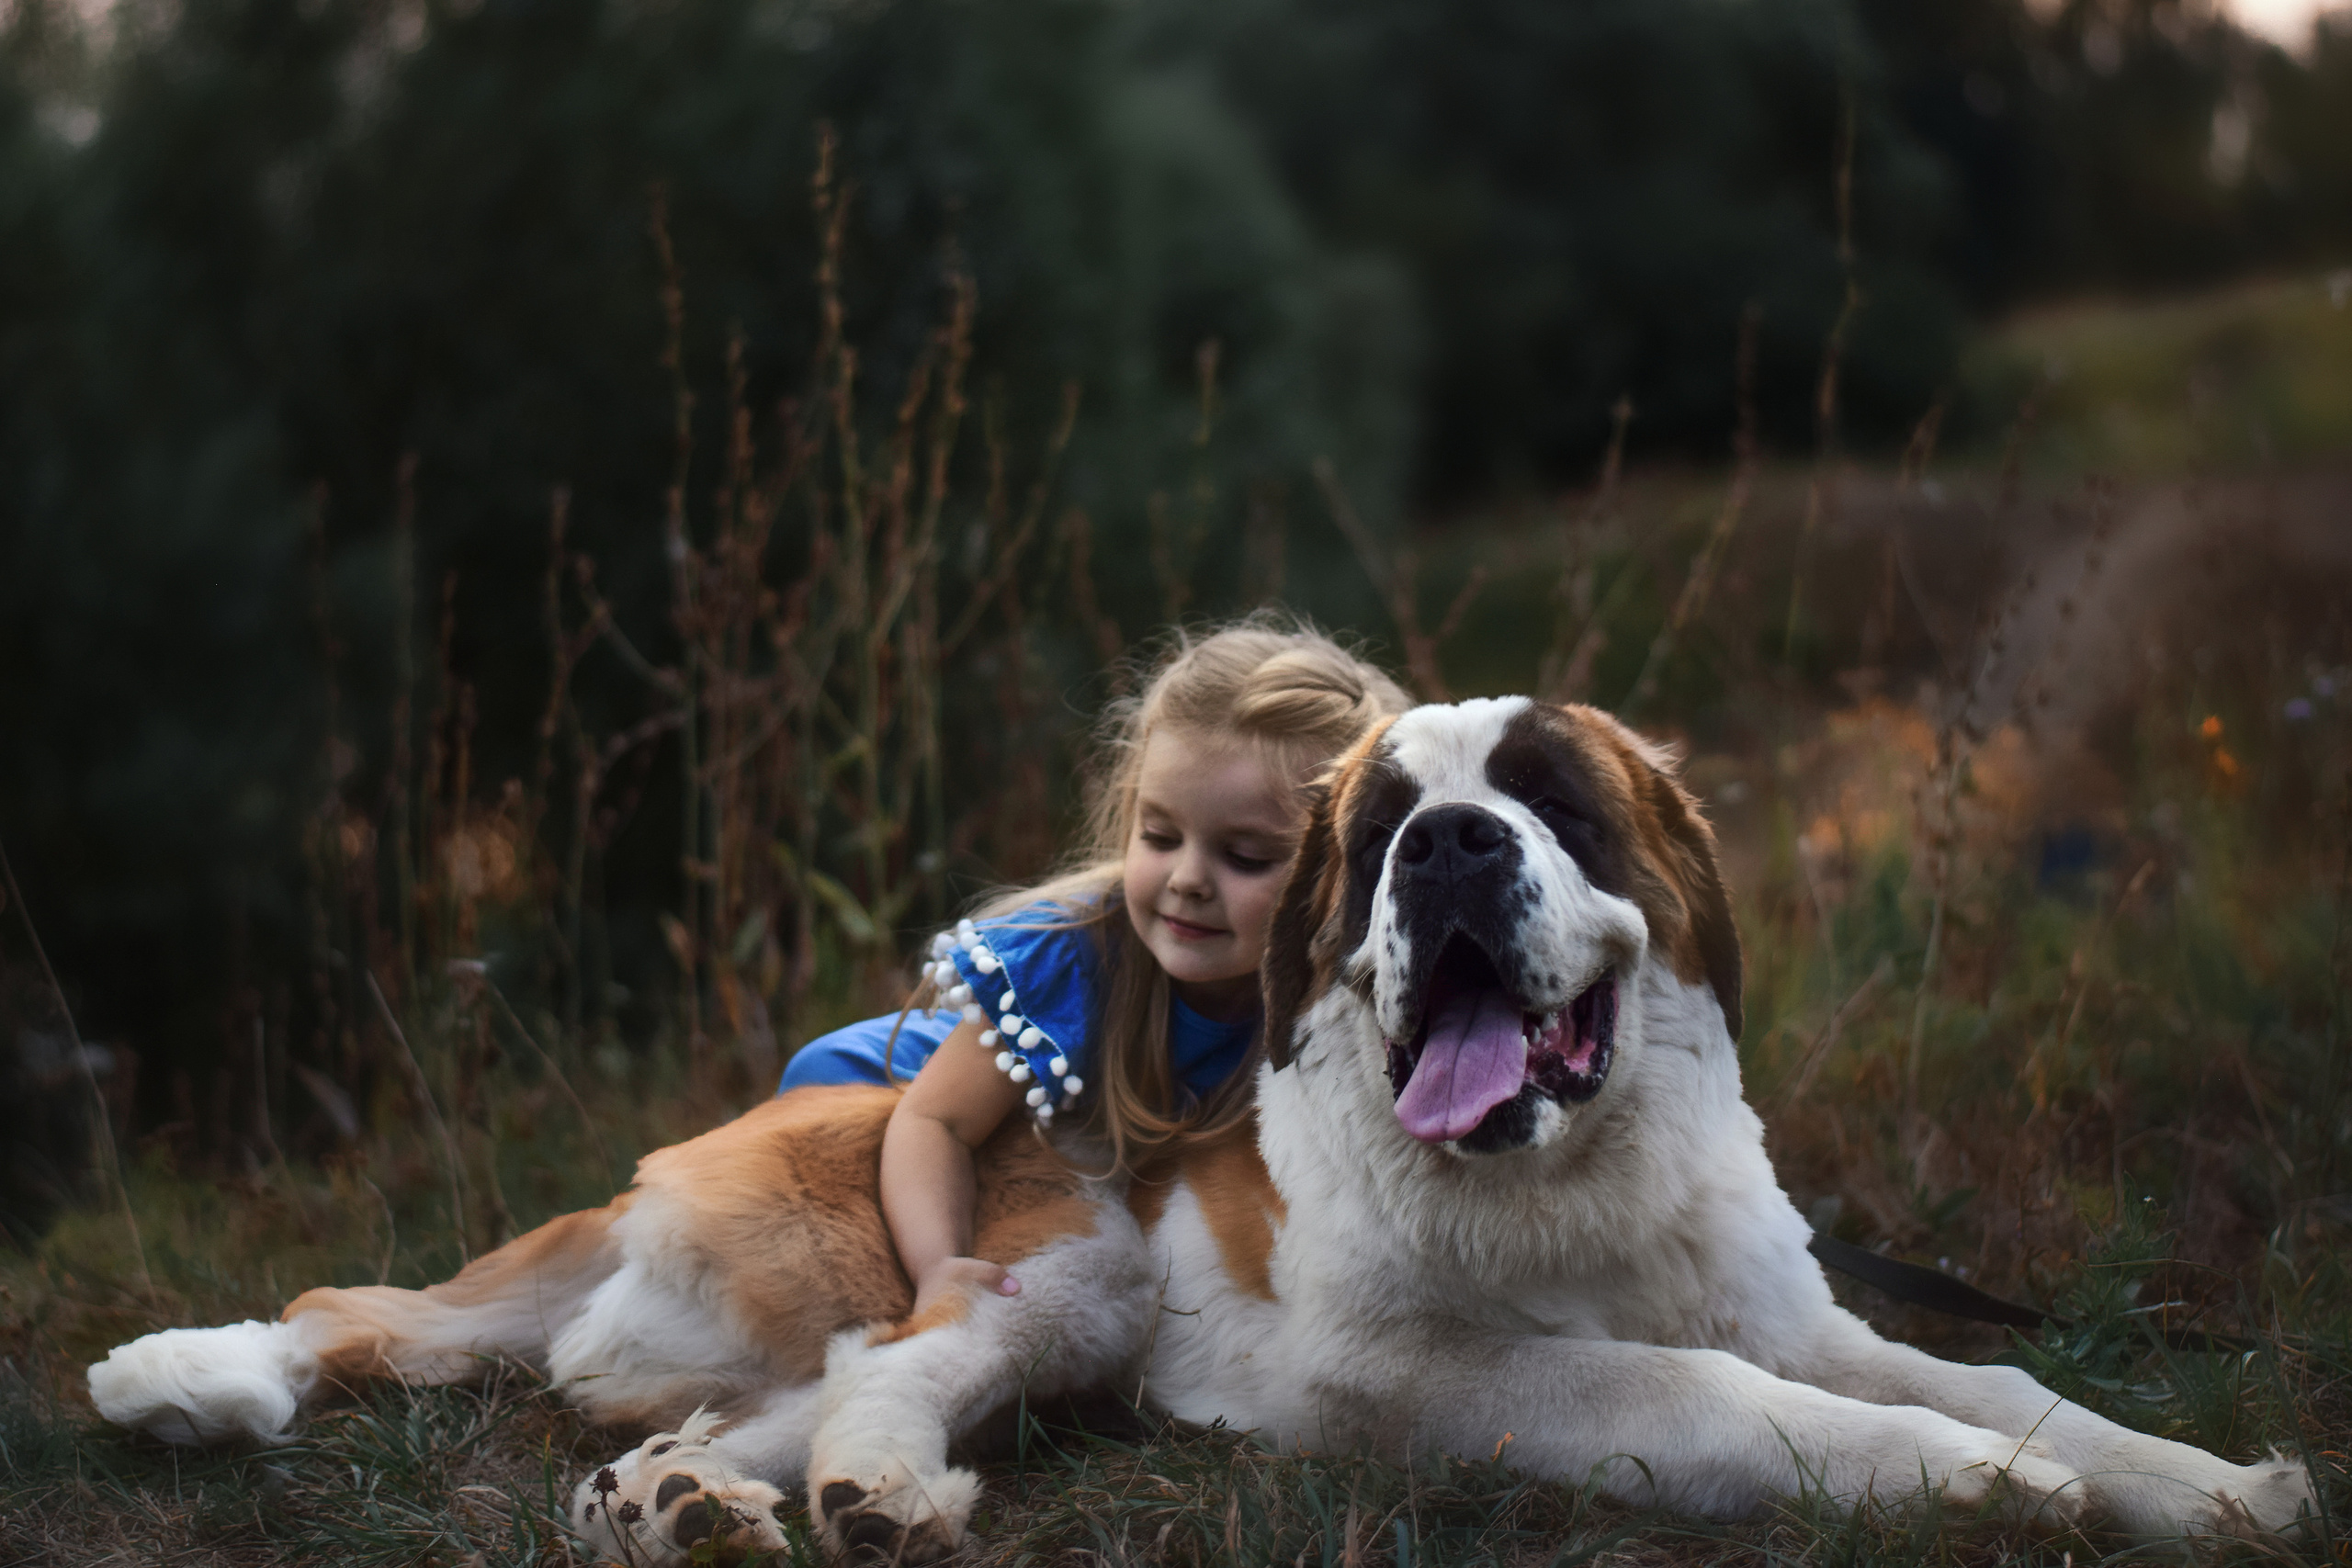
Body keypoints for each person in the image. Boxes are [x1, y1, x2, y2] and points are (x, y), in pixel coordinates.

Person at [777, 616, 1412, 1319]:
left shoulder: (1338, 1002)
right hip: (890, 1097)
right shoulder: (1073, 958)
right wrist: (940, 1268)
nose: (1188, 879)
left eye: (1247, 857)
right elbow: (938, 1124)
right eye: (1160, 836)